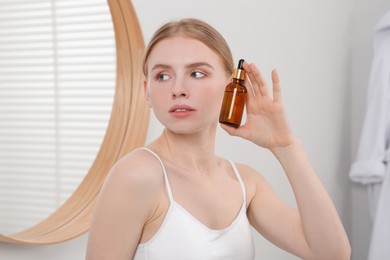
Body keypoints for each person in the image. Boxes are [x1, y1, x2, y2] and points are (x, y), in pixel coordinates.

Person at [86, 18, 351, 259]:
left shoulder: (244, 182)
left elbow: (331, 253)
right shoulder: (136, 176)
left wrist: (286, 147)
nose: (178, 89)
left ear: (231, 86)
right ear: (147, 91)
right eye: (163, 76)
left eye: (196, 73)